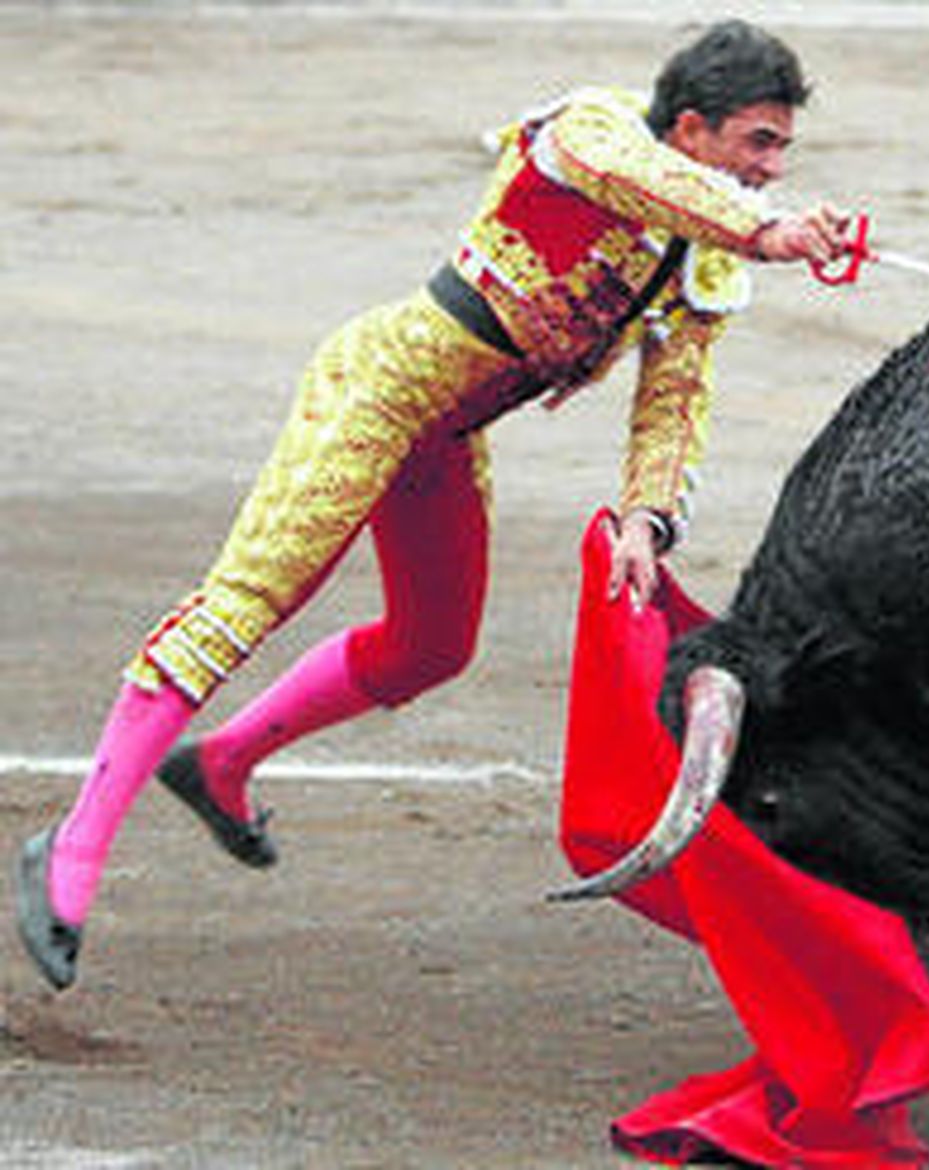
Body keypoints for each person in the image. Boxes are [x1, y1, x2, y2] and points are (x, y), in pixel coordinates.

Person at [15, 19, 852, 991]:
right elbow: (644, 181)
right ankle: (71, 849)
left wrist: (644, 518)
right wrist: (765, 228)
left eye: (783, 148)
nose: (773, 168)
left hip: (445, 437)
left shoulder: (708, 253)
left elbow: (674, 400)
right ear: (695, 127)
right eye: (759, 142)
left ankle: (220, 764)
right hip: (375, 391)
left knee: (431, 646)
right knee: (245, 603)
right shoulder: (593, 132)